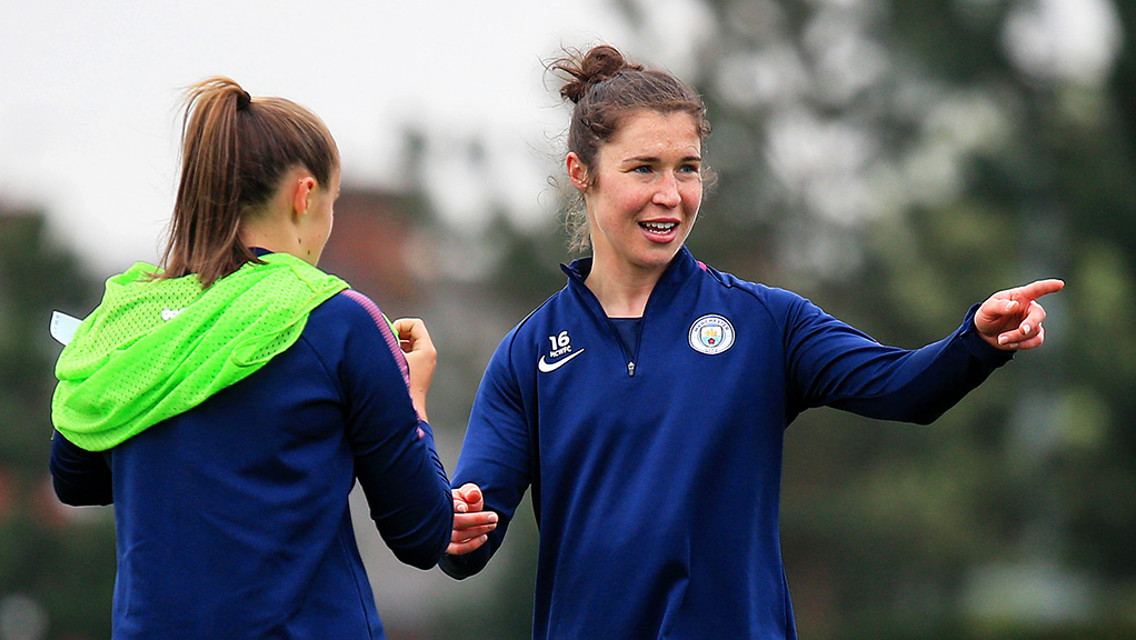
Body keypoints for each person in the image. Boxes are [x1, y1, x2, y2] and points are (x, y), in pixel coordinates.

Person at [439, 45, 1064, 639]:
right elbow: (464, 540)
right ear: (583, 173)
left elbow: (904, 388)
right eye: (643, 169)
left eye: (686, 169)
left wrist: (976, 340)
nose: (670, 195)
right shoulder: (528, 354)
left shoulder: (767, 322)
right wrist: (437, 484)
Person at [49, 77, 495, 640]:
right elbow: (422, 533)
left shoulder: (130, 319)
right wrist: (413, 399)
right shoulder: (338, 320)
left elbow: (75, 478)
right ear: (305, 196)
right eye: (331, 204)